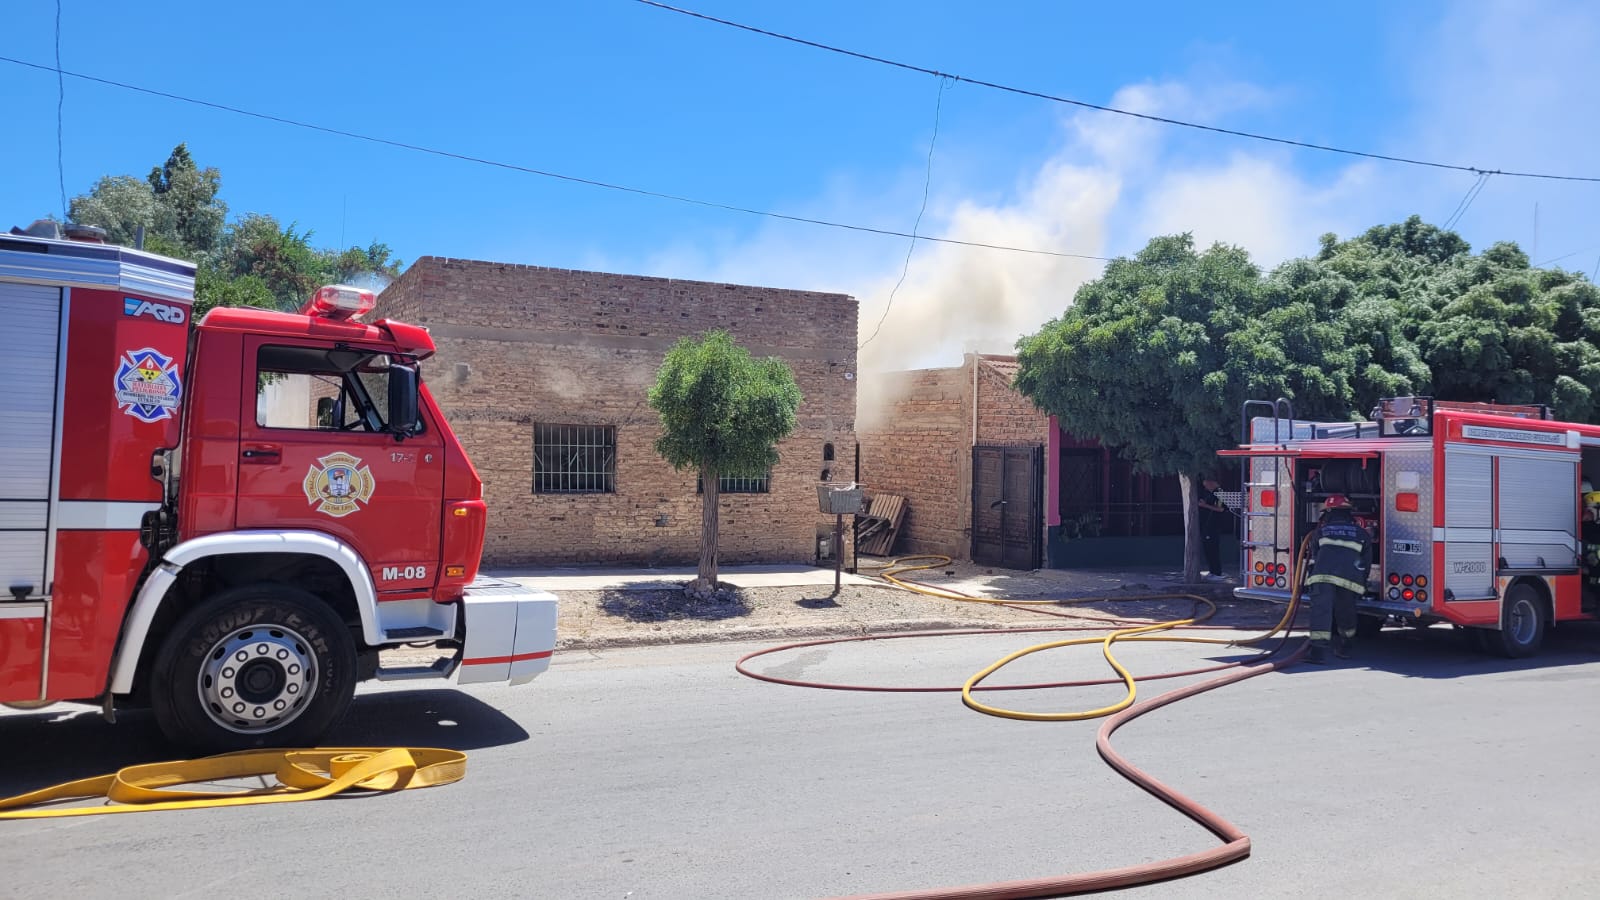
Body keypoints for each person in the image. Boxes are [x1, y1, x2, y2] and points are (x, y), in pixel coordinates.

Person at [1303, 494, 1374, 664]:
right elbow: (1366, 563)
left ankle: (1317, 653)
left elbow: (1315, 555)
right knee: (1346, 612)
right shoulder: (1362, 534)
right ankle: (1346, 646)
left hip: (1323, 577)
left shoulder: (1321, 532)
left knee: (1321, 611)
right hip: (1349, 580)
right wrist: (1362, 583)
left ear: (1328, 512)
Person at [1197, 476, 1228, 581]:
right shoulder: (1210, 493)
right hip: (1207, 525)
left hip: (1214, 526)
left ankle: (1217, 573)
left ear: (1212, 483)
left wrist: (1205, 505)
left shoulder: (1220, 493)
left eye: (1207, 485)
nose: (1206, 488)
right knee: (1208, 549)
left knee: (1213, 549)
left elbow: (1220, 509)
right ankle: (1212, 571)